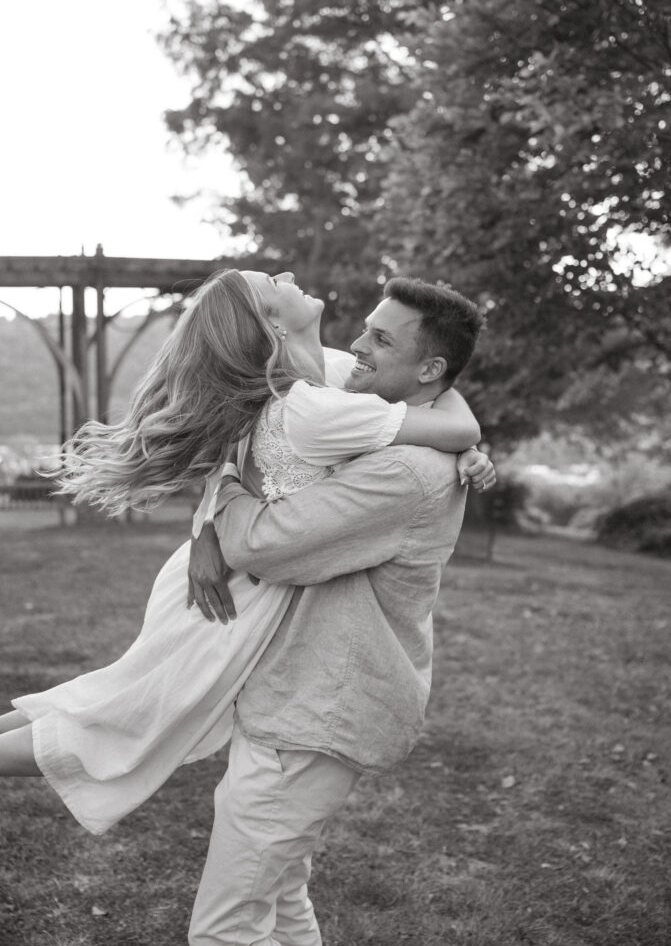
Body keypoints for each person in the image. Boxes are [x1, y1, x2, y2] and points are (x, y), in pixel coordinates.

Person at [0, 268, 494, 841]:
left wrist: (470, 451)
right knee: (131, 717)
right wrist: (467, 446)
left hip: (220, 580)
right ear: (273, 324)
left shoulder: (320, 373)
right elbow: (454, 421)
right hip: (233, 596)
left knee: (118, 698)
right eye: (273, 284)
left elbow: (428, 391)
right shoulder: (317, 407)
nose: (288, 275)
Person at [185, 275, 491, 946]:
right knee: (281, 899)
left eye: (380, 339)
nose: (357, 347)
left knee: (224, 929)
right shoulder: (394, 431)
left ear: (428, 369)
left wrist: (226, 497)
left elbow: (263, 544)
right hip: (295, 699)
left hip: (315, 714)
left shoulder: (406, 471)